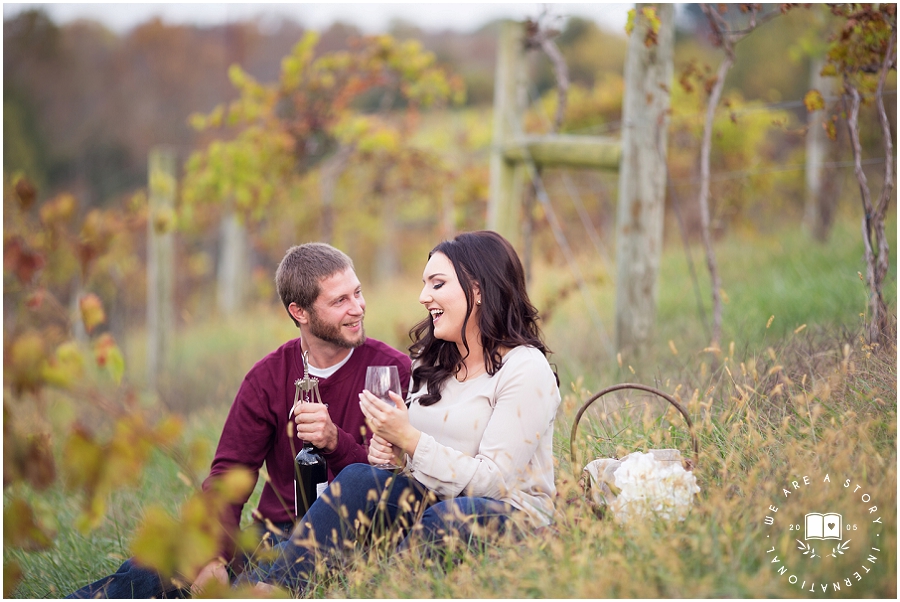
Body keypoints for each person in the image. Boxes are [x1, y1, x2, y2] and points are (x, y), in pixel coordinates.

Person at [67, 243, 411, 598]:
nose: (358, 308)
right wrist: (214, 556)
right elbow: (228, 477)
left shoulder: (390, 371)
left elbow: (387, 481)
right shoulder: (268, 378)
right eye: (340, 301)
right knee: (163, 565)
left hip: (345, 534)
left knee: (253, 583)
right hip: (274, 530)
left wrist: (335, 442)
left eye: (357, 293)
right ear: (300, 312)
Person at [242, 230, 561, 594]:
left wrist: (409, 439)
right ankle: (262, 588)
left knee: (446, 519)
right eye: (425, 284)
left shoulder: (524, 369)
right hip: (432, 500)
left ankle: (378, 587)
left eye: (437, 284)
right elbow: (421, 460)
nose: (424, 296)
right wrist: (395, 455)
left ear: (477, 290)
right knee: (361, 478)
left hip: (508, 514)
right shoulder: (433, 359)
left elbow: (493, 484)